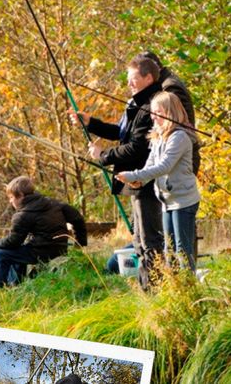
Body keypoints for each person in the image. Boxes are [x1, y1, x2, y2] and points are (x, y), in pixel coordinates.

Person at [68, 54, 164, 290]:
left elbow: (137, 148)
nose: (128, 85)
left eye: (133, 80)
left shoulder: (151, 106)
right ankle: (146, 286)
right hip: (133, 182)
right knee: (139, 239)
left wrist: (104, 155)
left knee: (148, 239)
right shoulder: (134, 104)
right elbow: (121, 133)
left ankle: (154, 289)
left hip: (145, 181)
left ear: (148, 78)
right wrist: (91, 123)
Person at [116, 92, 201, 272]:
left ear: (169, 112)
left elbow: (165, 166)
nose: (153, 116)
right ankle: (174, 287)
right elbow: (151, 164)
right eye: (152, 112)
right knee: (169, 249)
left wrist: (132, 175)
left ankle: (189, 288)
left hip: (183, 201)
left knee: (182, 250)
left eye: (158, 112)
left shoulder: (179, 137)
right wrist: (140, 180)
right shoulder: (158, 137)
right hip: (167, 201)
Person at [0, 176, 87, 288]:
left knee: (0, 254)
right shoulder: (54, 203)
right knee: (18, 251)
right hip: (60, 249)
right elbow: (78, 220)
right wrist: (79, 244)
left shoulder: (22, 215)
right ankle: (14, 284)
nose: (10, 201)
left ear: (21, 196)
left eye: (11, 197)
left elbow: (13, 242)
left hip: (41, 253)